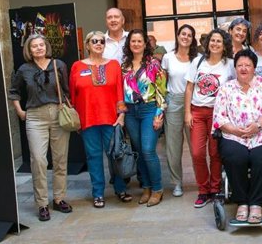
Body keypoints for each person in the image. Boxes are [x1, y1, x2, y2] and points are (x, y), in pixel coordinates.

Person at [213, 50, 262, 224]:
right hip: (234, 135)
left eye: (248, 65)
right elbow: (219, 117)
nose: (244, 68)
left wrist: (258, 126)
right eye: (240, 65)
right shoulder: (226, 88)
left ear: (254, 67)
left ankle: (256, 204)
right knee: (235, 156)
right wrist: (235, 130)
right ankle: (242, 202)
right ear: (235, 68)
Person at [9, 34, 72, 221]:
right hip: (35, 117)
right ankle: (42, 203)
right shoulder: (24, 69)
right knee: (38, 160)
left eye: (41, 45)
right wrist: (20, 111)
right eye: (34, 46)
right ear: (29, 50)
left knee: (60, 159)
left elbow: (66, 90)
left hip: (58, 113)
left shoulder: (58, 65)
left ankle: (59, 198)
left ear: (47, 47)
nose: (38, 48)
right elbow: (14, 92)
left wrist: (68, 109)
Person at [70, 30, 131, 208]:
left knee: (116, 155)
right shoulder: (77, 66)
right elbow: (73, 96)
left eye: (102, 41)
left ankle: (120, 189)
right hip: (88, 120)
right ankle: (98, 193)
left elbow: (120, 91)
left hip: (111, 119)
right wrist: (75, 118)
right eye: (94, 41)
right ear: (87, 45)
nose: (98, 44)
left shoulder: (113, 65)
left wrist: (121, 115)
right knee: (93, 157)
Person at [184, 28, 235, 208]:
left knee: (215, 153)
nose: (214, 44)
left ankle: (215, 189)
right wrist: (187, 113)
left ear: (224, 45)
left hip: (217, 114)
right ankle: (203, 190)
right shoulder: (198, 62)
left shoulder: (230, 64)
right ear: (207, 43)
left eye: (219, 41)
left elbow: (235, 88)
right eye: (212, 40)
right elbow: (189, 88)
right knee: (197, 153)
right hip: (197, 112)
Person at [121, 29, 168, 207]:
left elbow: (162, 92)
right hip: (131, 112)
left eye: (139, 41)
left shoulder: (154, 64)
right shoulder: (123, 66)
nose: (136, 44)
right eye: (133, 41)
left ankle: (157, 189)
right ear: (129, 44)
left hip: (150, 110)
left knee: (148, 150)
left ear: (145, 44)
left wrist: (159, 115)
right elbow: (120, 92)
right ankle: (146, 188)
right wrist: (122, 114)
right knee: (139, 152)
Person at [161, 24, 200, 197]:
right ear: (177, 36)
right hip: (174, 102)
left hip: (194, 103)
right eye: (183, 34)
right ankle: (177, 183)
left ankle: (201, 181)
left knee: (196, 146)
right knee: (173, 146)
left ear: (193, 39)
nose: (185, 37)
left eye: (189, 35)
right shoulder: (168, 58)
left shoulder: (198, 58)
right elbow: (162, 84)